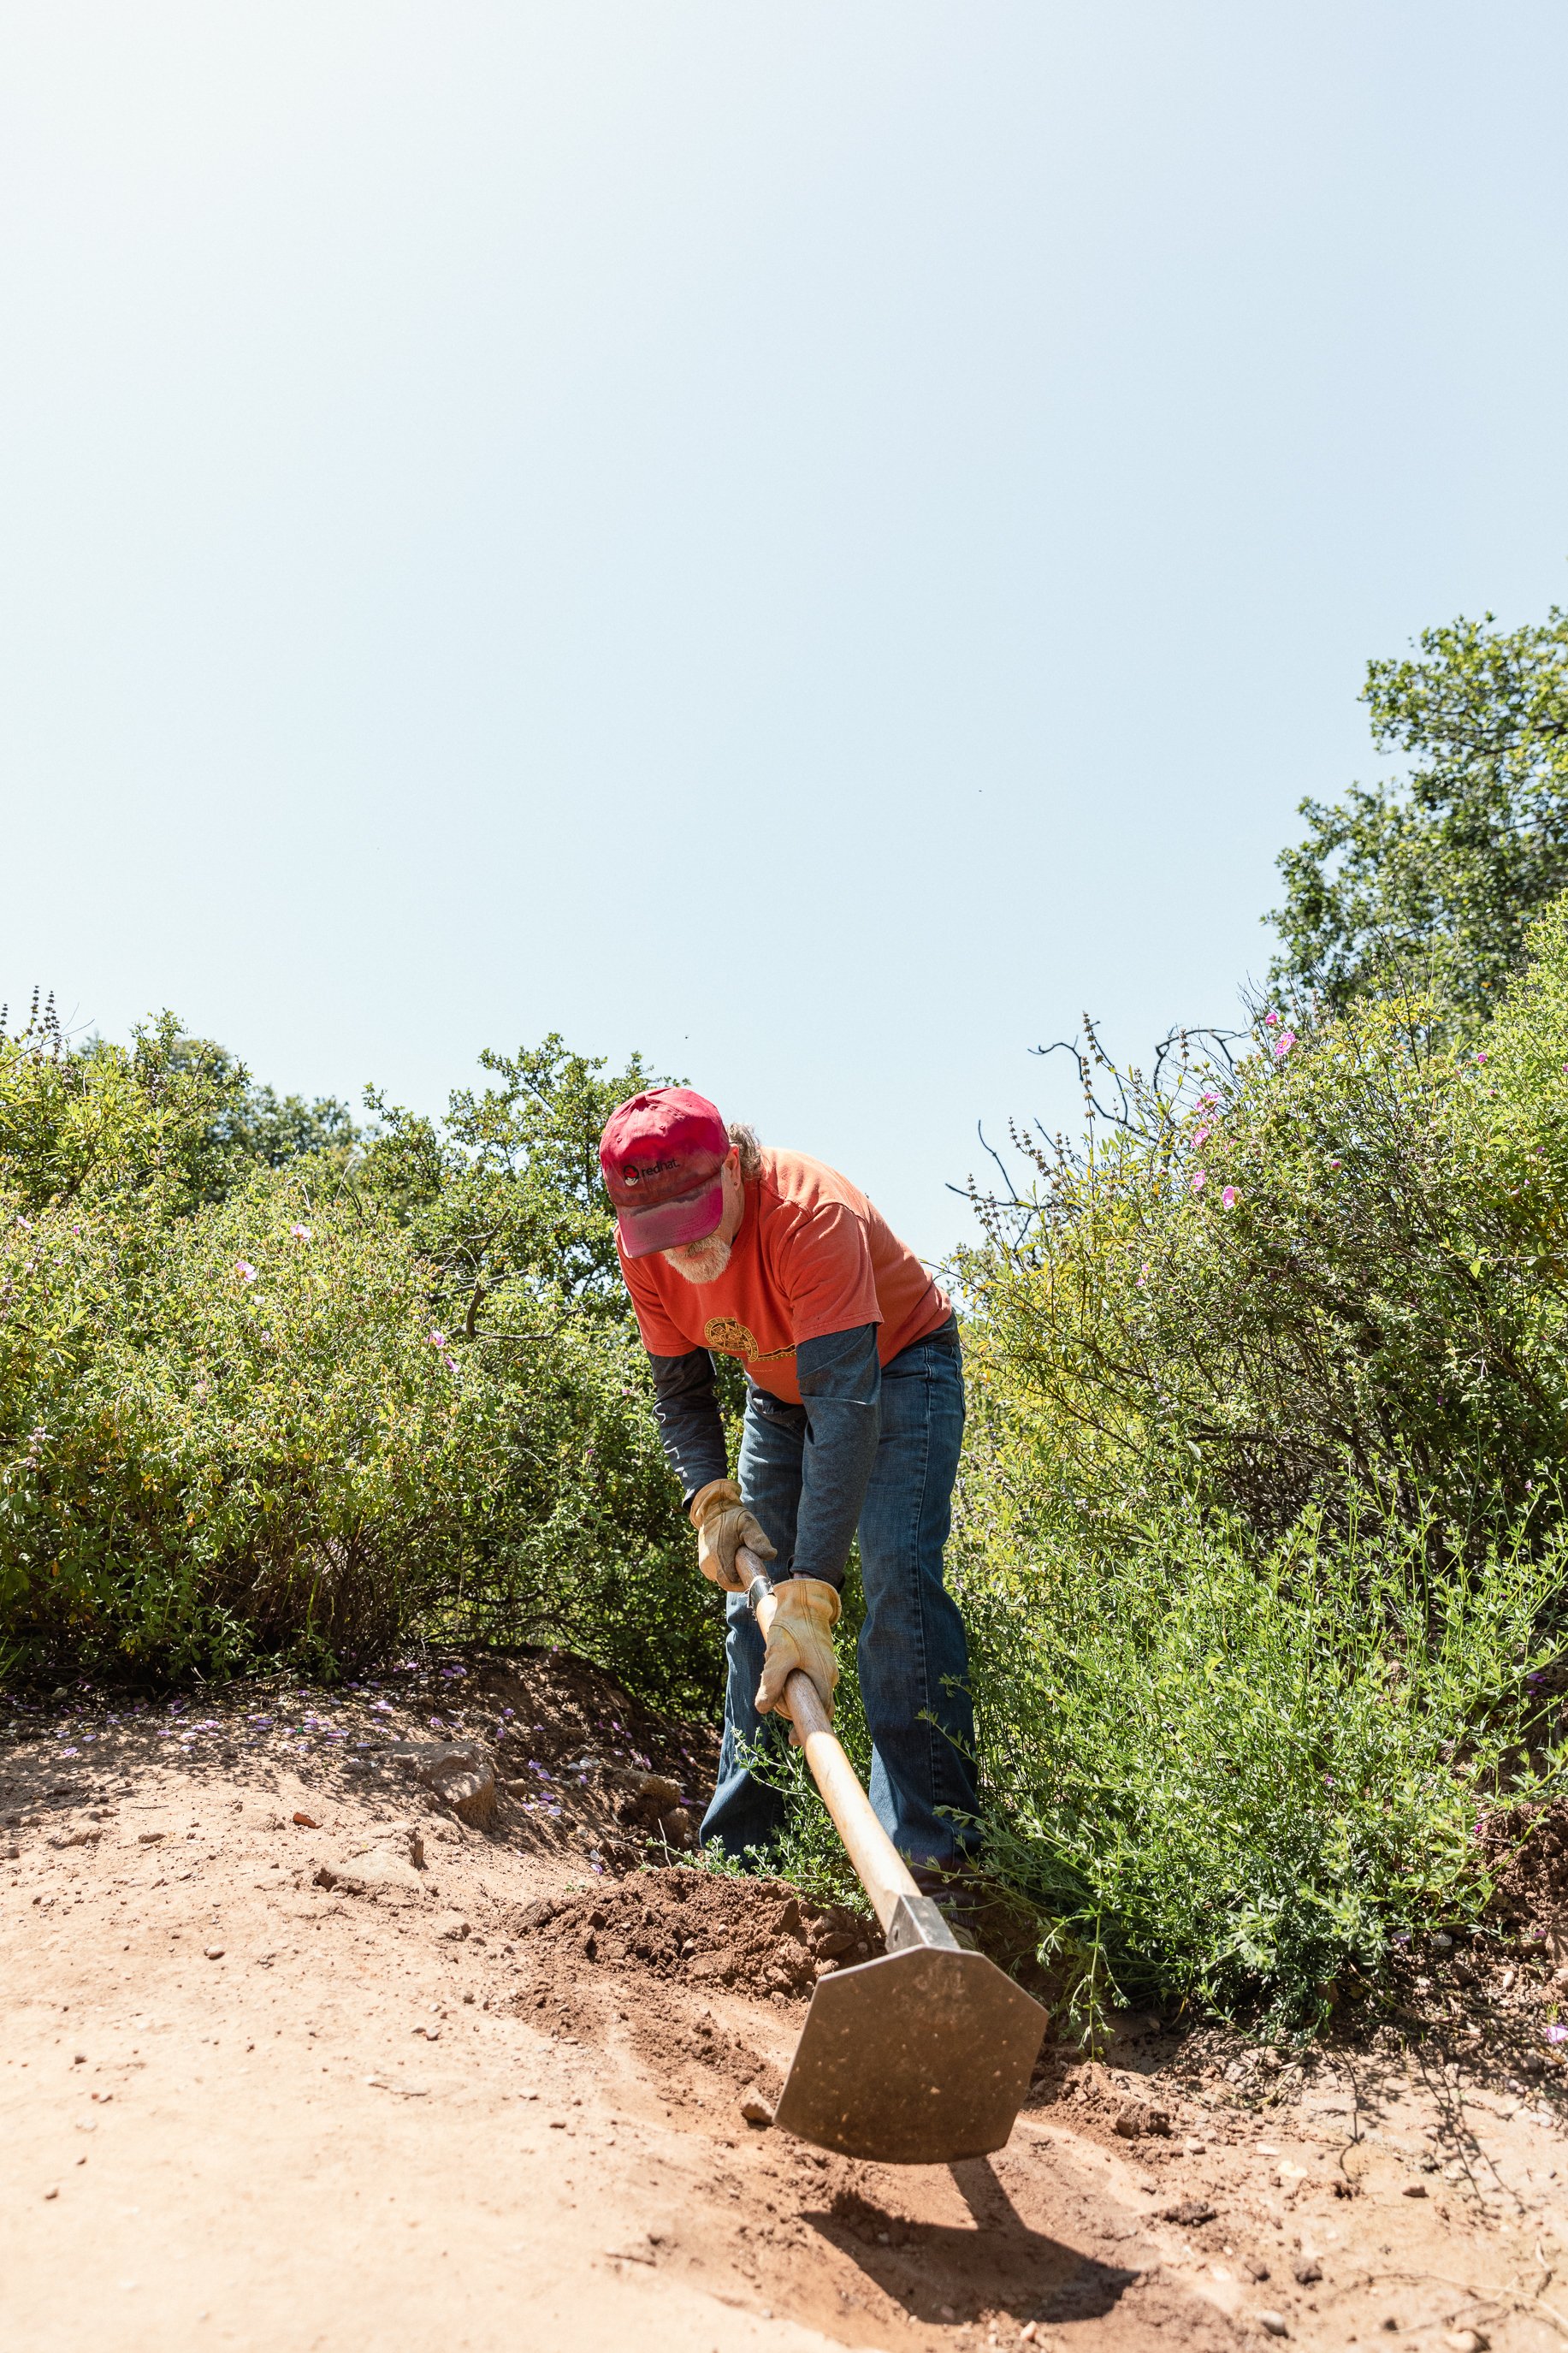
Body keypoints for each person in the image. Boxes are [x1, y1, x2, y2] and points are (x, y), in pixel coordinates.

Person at [598, 1083, 979, 1882]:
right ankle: (745, 1857)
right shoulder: (645, 1253)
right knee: (751, 1608)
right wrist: (710, 1496)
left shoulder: (812, 1214)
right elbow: (681, 1392)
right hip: (777, 1391)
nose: (683, 1249)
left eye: (693, 1219)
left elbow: (845, 1414)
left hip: (898, 1370)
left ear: (733, 1169)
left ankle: (931, 1852)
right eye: (659, 1232)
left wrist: (811, 1592)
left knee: (894, 1582)